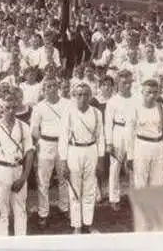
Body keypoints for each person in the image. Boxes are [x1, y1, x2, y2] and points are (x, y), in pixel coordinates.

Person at [0, 94, 35, 236]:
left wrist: (23, 178)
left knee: (20, 209)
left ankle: (20, 242)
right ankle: (3, 242)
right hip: (1, 170)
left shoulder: (24, 127)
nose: (11, 111)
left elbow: (29, 153)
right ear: (1, 109)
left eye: (14, 107)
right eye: (7, 108)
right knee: (2, 210)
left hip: (18, 169)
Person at [58, 83, 105, 234]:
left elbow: (100, 137)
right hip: (74, 151)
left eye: (86, 94)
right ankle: (77, 225)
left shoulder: (97, 113)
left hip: (91, 150)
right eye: (79, 95)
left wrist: (101, 159)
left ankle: (88, 222)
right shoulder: (69, 112)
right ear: (74, 96)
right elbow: (63, 138)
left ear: (90, 96)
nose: (83, 98)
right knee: (75, 190)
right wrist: (63, 162)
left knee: (90, 189)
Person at [30, 77, 70, 228]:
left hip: (63, 144)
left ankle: (64, 207)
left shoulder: (67, 104)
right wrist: (41, 142)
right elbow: (34, 129)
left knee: (64, 178)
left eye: (54, 85)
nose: (52, 89)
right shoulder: (39, 107)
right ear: (44, 89)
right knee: (43, 181)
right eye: (48, 86)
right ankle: (43, 213)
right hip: (46, 144)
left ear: (58, 87)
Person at [127, 79, 163, 189]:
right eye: (149, 92)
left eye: (155, 92)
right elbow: (129, 133)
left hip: (158, 146)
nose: (152, 95)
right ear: (142, 92)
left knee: (157, 180)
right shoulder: (135, 108)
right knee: (140, 181)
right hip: (141, 146)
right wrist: (130, 155)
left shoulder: (161, 107)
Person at [104, 69, 135, 211]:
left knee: (133, 165)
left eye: (129, 82)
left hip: (133, 133)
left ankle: (133, 196)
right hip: (118, 131)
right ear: (118, 83)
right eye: (124, 83)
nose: (127, 85)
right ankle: (114, 198)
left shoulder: (137, 99)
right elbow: (108, 123)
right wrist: (109, 142)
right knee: (115, 166)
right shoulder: (112, 101)